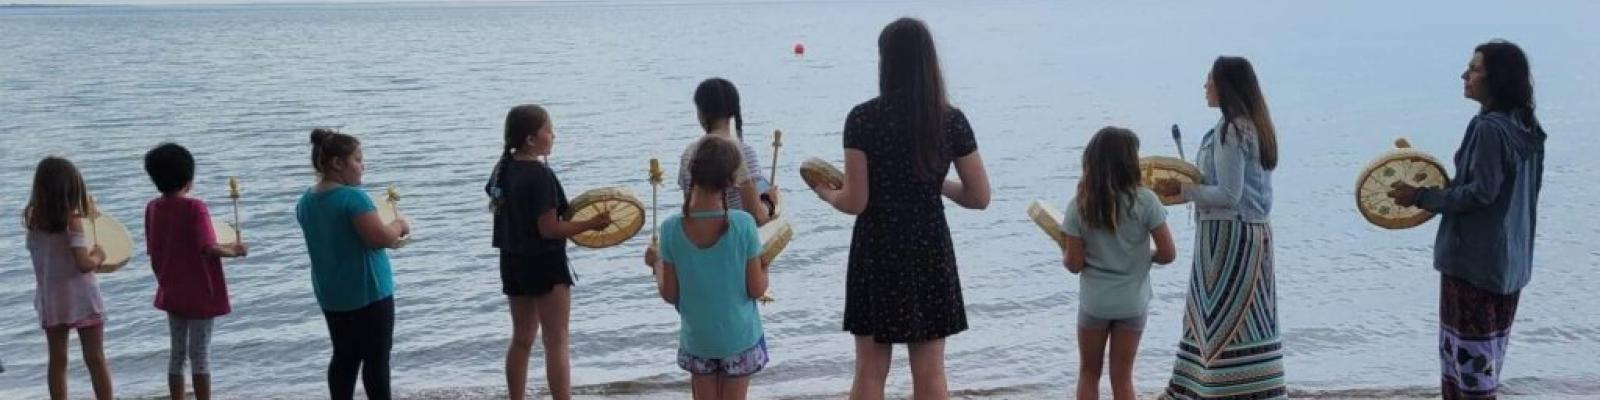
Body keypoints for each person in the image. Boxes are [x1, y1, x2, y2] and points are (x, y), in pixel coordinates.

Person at [810, 17, 991, 400]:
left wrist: (827, 194)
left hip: (877, 247)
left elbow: (856, 201)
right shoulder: (950, 119)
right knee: (929, 371)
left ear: (885, 61)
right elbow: (979, 197)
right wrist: (932, 180)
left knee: (870, 370)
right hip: (928, 246)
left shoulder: (862, 118)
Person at [1387, 40, 1545, 400]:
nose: (1465, 75)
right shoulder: (1526, 126)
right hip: (1510, 266)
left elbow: (1480, 193)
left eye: (1474, 69)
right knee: (1486, 362)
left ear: (1495, 79)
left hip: (1472, 264)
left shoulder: (1489, 128)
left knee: (1464, 369)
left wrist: (1421, 196)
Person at [1153, 56, 1285, 399]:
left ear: (1224, 86)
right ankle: (1253, 387)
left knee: (1221, 322)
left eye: (1209, 80)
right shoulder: (1255, 126)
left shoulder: (1230, 130)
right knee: (1250, 318)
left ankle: (1217, 389)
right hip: (1253, 234)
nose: (1205, 86)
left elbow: (1229, 194)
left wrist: (1182, 190)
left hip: (1229, 240)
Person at [485, 104, 611, 400]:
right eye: (548, 130)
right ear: (531, 139)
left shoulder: (503, 168)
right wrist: (592, 223)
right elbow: (549, 229)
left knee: (522, 338)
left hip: (512, 260)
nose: (554, 135)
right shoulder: (539, 175)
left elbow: (497, 200)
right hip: (543, 262)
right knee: (556, 341)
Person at [1060, 127, 1176, 400]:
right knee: (1122, 377)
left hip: (1095, 303)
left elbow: (1074, 264)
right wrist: (1145, 259)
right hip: (1132, 302)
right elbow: (1168, 254)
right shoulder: (1146, 201)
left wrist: (1065, 250)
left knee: (1089, 372)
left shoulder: (1079, 205)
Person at [295, 129, 410, 400]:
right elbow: (378, 238)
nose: (363, 165)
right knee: (376, 358)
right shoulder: (353, 198)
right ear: (337, 163)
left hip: (332, 294)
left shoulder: (306, 201)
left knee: (344, 356)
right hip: (369, 292)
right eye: (358, 159)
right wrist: (399, 225)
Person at [653, 135, 769, 400]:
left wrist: (656, 264)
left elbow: (670, 294)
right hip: (739, 338)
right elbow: (756, 288)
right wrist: (766, 265)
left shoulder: (670, 229)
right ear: (730, 182)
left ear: (692, 172)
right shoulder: (744, 225)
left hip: (698, 341)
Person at [142, 143, 248, 400]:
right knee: (200, 354)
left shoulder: (153, 208)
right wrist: (234, 251)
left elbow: (155, 247)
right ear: (188, 179)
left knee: (177, 352)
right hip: (200, 291)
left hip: (171, 288)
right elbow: (207, 248)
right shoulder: (195, 207)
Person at [24, 156, 115, 400]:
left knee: (57, 360)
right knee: (95, 358)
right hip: (81, 298)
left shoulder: (33, 220)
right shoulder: (72, 221)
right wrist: (98, 255)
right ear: (71, 190)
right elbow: (83, 264)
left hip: (51, 300)